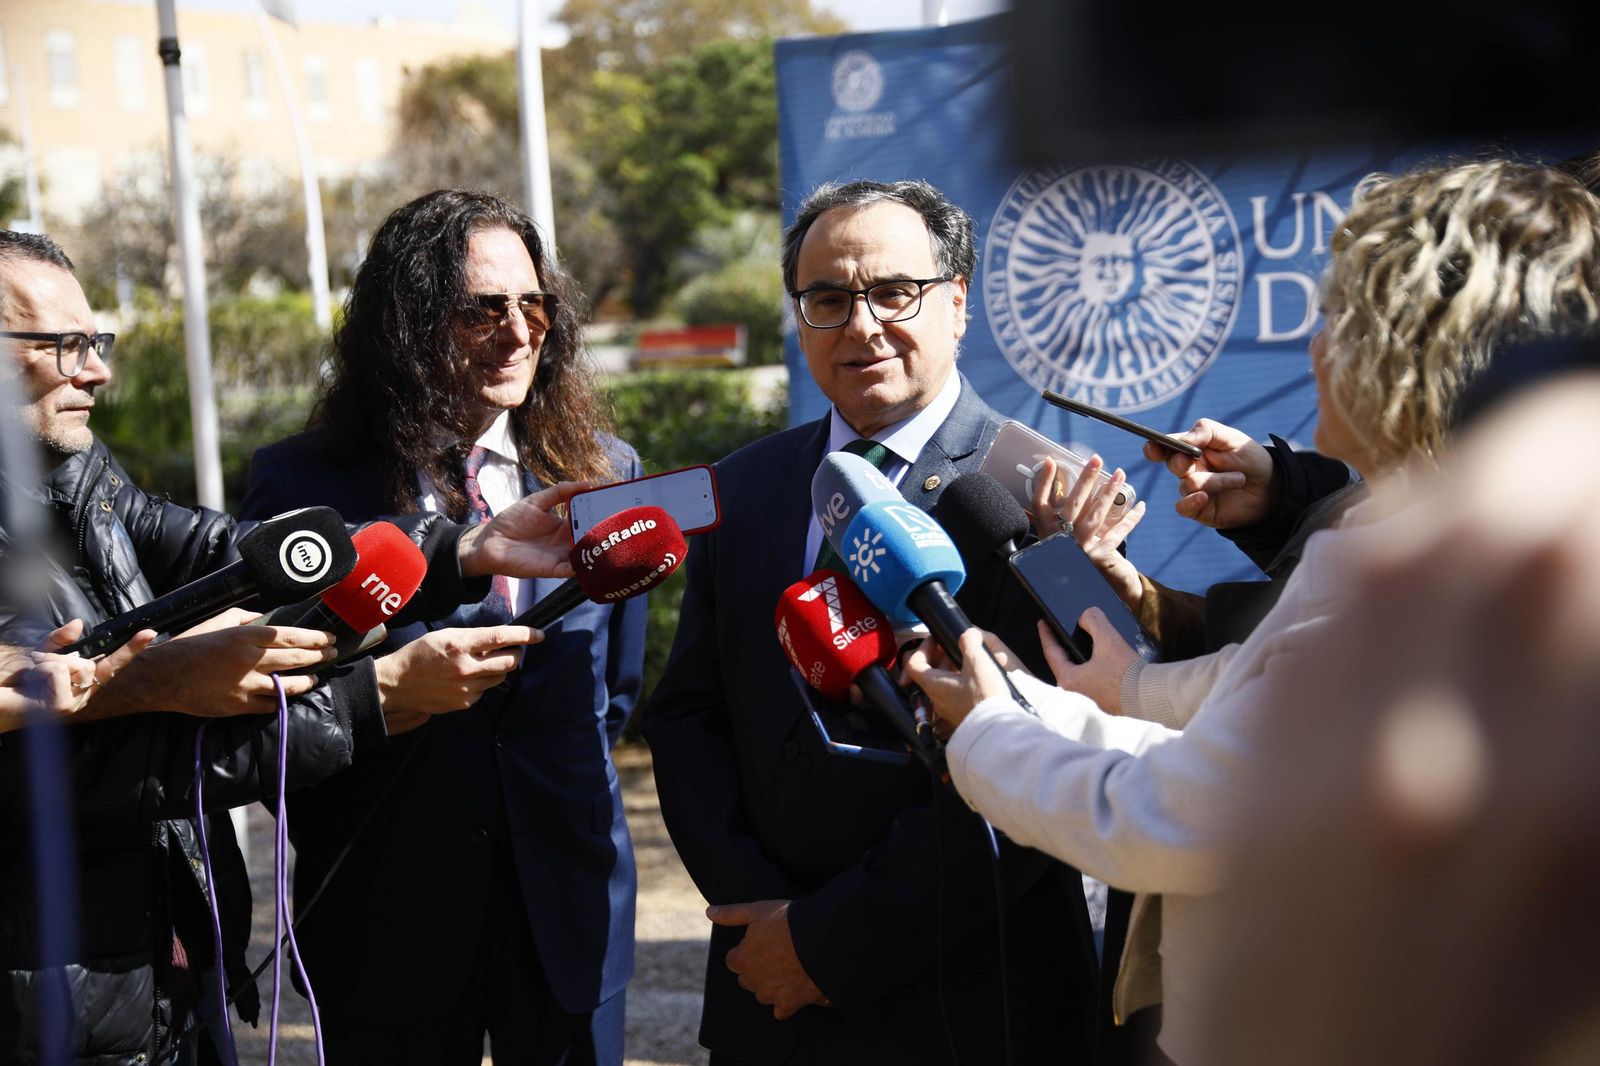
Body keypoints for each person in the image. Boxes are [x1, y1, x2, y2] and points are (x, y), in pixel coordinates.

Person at [903, 160, 1600, 1063]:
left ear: (1413, 353)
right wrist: (1078, 697)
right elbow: (1246, 722)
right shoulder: (1405, 541)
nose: (1316, 348)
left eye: (1341, 319)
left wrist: (988, 730)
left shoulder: (1459, 589)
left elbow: (1169, 815)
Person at [0, 228, 581, 1064]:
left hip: (162, 979)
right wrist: (376, 697)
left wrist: (457, 551)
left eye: (97, 342)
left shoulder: (70, 471)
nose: (97, 371)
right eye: (64, 346)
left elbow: (233, 557)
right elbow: (82, 765)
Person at [642, 179, 1100, 1064]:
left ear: (957, 303)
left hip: (973, 999)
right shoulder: (745, 485)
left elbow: (1046, 768)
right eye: (828, 299)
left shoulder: (1037, 495)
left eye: (895, 292)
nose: (861, 325)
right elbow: (691, 719)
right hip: (769, 993)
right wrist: (763, 919)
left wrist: (831, 944)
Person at [242, 188, 645, 1066]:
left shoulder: (606, 474)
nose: (518, 332)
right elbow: (270, 699)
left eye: (534, 306)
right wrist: (391, 693)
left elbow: (613, 696)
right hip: (388, 921)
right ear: (407, 323)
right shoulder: (301, 486)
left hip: (568, 914)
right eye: (482, 310)